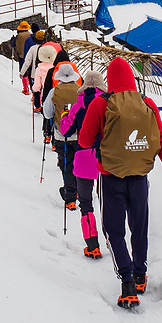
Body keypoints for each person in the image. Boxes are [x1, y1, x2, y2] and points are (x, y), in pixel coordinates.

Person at [79, 56, 162, 309]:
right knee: (139, 227)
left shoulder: (101, 104)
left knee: (114, 230)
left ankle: (126, 283)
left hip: (111, 177)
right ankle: (140, 274)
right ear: (132, 79)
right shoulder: (147, 103)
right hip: (139, 179)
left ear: (109, 80)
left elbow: (83, 141)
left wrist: (101, 141)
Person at [60, 70, 106, 259]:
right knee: (109, 203)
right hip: (108, 157)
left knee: (86, 204)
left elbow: (65, 130)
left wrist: (64, 114)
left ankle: (92, 245)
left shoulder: (79, 104)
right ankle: (113, 240)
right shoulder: (109, 102)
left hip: (84, 155)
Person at [43, 63, 81, 209]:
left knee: (66, 165)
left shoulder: (54, 92)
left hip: (61, 136)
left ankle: (70, 197)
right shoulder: (80, 91)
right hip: (79, 136)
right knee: (77, 164)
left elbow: (47, 113)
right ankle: (78, 189)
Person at [30, 44, 56, 115]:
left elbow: (37, 86)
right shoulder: (56, 67)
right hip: (56, 92)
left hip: (45, 94)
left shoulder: (39, 69)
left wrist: (34, 89)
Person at [10, 21, 32, 94]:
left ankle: (26, 88)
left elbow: (13, 44)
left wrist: (12, 40)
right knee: (30, 70)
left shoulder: (19, 36)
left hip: (22, 55)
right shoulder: (30, 35)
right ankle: (31, 85)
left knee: (23, 71)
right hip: (30, 55)